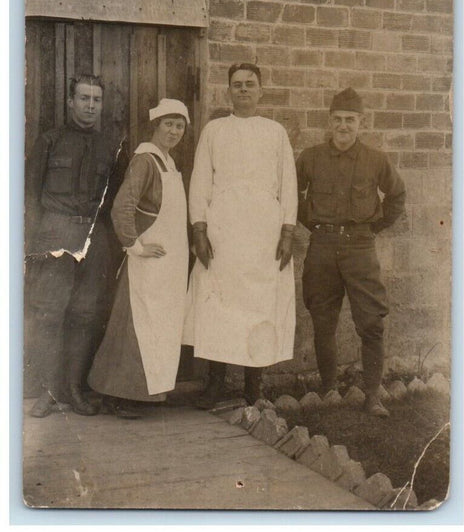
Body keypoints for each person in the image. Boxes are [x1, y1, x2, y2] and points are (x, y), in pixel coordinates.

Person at [183, 64, 298, 408]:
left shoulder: (275, 132)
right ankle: (216, 384)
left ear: (261, 91)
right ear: (228, 92)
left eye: (250, 84)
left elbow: (288, 182)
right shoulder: (215, 131)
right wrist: (199, 229)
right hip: (224, 232)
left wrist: (288, 230)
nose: (244, 90)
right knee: (219, 303)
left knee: (259, 305)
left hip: (264, 233)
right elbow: (200, 180)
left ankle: (254, 386)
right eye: (237, 85)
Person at [296, 87, 406, 418]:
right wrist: (314, 224)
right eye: (338, 119)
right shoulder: (311, 157)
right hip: (323, 246)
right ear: (329, 122)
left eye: (350, 120)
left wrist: (373, 227)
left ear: (361, 123)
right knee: (322, 319)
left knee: (371, 321)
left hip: (360, 248)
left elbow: (397, 195)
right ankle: (329, 389)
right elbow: (292, 194)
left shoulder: (376, 159)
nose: (344, 126)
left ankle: (373, 394)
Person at [88, 99, 190, 417]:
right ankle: (119, 395)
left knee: (160, 327)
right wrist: (135, 246)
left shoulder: (168, 163)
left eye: (179, 125)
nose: (173, 131)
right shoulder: (145, 160)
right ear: (155, 127)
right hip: (147, 263)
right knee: (136, 327)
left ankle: (148, 392)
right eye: (167, 124)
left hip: (169, 266)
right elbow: (122, 206)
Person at [25, 74, 115, 417]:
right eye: (84, 98)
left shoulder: (110, 145)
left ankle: (75, 390)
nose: (90, 105)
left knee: (86, 314)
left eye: (96, 100)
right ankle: (48, 392)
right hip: (54, 235)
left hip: (93, 238)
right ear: (70, 102)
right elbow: (30, 196)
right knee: (49, 313)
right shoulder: (49, 141)